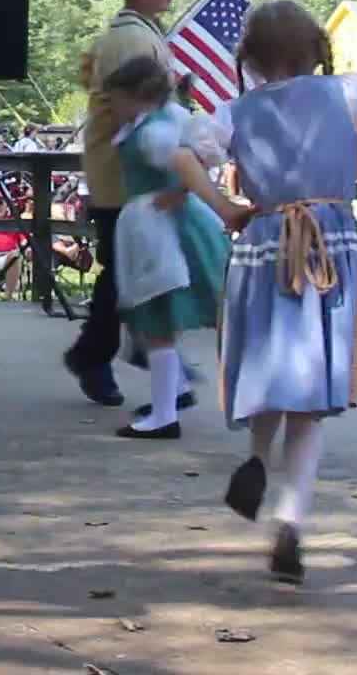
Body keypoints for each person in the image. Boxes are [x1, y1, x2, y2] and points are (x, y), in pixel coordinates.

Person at [192, 0, 357, 582]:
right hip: (329, 244)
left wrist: (224, 206)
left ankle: (257, 458)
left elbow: (185, 152)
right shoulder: (347, 95)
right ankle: (292, 517)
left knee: (267, 369)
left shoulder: (233, 112)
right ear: (315, 49)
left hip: (262, 242)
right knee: (310, 390)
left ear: (251, 58)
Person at [63, 0, 179, 408]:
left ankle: (145, 355)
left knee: (132, 267)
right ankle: (99, 352)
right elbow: (141, 106)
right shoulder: (132, 40)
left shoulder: (136, 35)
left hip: (125, 172)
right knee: (127, 269)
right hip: (124, 174)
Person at [102, 56, 235, 440]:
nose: (112, 108)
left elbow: (191, 161)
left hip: (155, 231)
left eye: (116, 99)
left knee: (155, 322)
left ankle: (164, 414)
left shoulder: (151, 134)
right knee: (154, 323)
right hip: (158, 225)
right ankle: (173, 393)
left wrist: (180, 190)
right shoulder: (165, 120)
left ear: (137, 97)